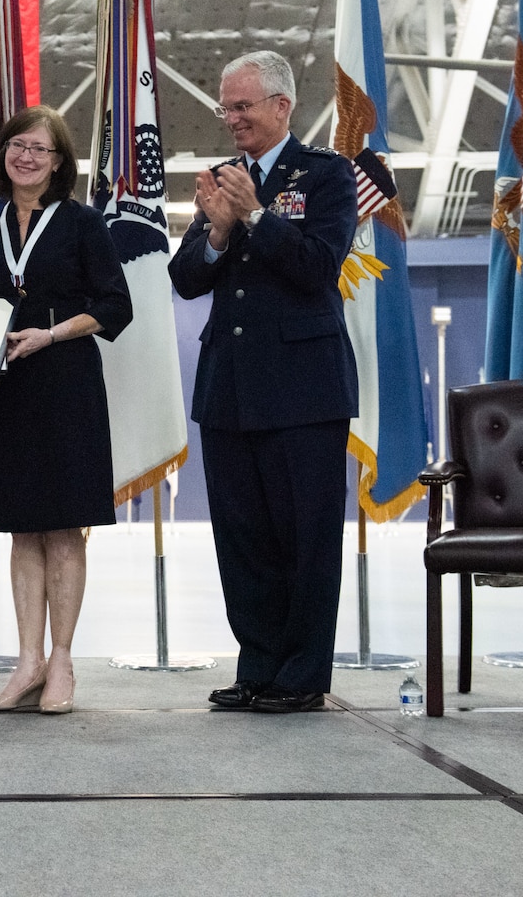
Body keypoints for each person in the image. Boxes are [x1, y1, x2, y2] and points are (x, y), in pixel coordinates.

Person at [167, 50, 358, 715]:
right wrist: (216, 231)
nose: (232, 117)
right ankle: (258, 667)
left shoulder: (328, 176)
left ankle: (302, 675)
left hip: (304, 390)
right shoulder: (224, 181)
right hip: (231, 387)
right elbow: (186, 278)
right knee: (242, 536)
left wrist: (256, 217)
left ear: (282, 106)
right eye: (227, 106)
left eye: (244, 105)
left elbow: (317, 267)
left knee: (305, 538)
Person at [0, 105, 133, 716]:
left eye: (41, 149)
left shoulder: (85, 225)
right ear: (4, 156)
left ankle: (62, 659)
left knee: (64, 526)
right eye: (18, 146)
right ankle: (27, 661)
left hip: (66, 386)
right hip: (7, 392)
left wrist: (50, 334)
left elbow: (115, 307)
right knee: (21, 528)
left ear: (60, 162)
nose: (27, 157)